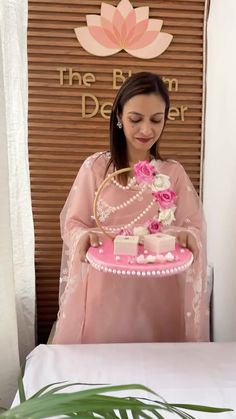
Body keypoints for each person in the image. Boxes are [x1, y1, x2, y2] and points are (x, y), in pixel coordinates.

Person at [52, 72, 209, 344]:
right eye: (136, 119)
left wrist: (187, 236)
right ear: (119, 117)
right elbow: (73, 223)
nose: (146, 130)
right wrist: (84, 237)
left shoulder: (173, 173)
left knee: (159, 372)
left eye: (156, 120)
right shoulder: (96, 168)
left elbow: (194, 227)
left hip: (159, 295)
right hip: (105, 296)